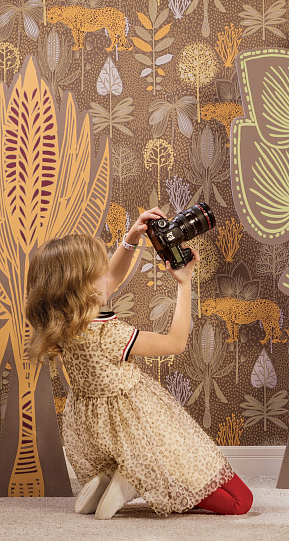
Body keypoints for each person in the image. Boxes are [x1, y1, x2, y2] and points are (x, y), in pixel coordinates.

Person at [25, 210, 253, 520]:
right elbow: (175, 343)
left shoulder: (63, 322)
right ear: (84, 288)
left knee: (196, 484)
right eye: (100, 274)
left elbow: (111, 280)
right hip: (139, 429)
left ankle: (116, 479)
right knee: (241, 501)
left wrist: (131, 240)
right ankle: (134, 476)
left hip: (103, 432)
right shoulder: (109, 334)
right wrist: (184, 283)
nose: (109, 278)